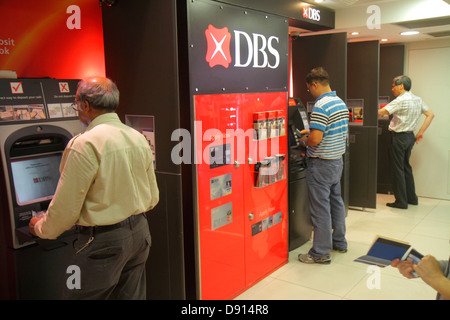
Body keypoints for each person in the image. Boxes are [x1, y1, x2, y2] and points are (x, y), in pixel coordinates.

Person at [29, 76, 159, 299]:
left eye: (76, 104)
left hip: (100, 243)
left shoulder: (84, 144)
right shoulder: (137, 137)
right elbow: (152, 195)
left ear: (85, 105)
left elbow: (66, 208)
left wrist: (40, 228)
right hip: (139, 234)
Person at [297, 67, 349, 264]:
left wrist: (304, 140)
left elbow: (315, 140)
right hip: (337, 161)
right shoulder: (339, 103)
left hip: (320, 164)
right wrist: (311, 130)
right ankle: (340, 242)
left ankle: (320, 252)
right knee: (336, 203)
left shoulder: (321, 106)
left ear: (315, 84)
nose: (309, 91)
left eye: (309, 88)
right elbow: (332, 130)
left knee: (320, 209)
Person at [378, 75, 434, 209]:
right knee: (406, 167)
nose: (392, 89)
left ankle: (401, 201)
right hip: (410, 137)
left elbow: (381, 112)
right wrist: (420, 133)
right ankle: (412, 198)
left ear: (401, 86)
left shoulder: (401, 100)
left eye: (393, 86)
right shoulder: (417, 99)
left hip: (398, 137)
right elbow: (430, 114)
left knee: (397, 169)